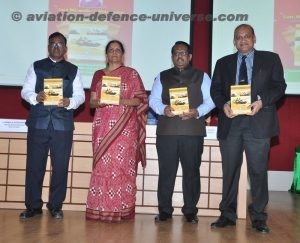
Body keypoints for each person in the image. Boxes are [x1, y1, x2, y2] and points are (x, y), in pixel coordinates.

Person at [210, 24, 286, 233]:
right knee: (230, 171)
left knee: (258, 172)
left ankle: (259, 217)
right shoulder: (223, 63)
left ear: (254, 38)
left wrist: (262, 101)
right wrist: (223, 104)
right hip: (231, 123)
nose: (242, 40)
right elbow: (215, 90)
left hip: (258, 122)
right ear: (234, 42)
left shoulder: (271, 59)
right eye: (238, 37)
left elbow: (280, 86)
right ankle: (227, 214)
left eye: (246, 36)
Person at [20, 32, 85, 219]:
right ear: (48, 47)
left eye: (60, 44)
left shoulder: (73, 69)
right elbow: (25, 90)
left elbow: (80, 96)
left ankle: (55, 206)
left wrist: (69, 102)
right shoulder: (36, 66)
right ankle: (33, 206)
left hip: (62, 125)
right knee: (34, 166)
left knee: (61, 167)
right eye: (53, 44)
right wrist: (35, 97)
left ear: (65, 48)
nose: (56, 47)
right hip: (38, 123)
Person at [149, 41, 215, 224]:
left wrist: (198, 112)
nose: (180, 56)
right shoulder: (161, 76)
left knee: (192, 173)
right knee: (166, 172)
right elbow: (153, 100)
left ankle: (190, 211)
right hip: (167, 133)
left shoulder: (202, 76)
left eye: (183, 53)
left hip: (192, 132)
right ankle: (164, 211)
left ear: (190, 56)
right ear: (172, 57)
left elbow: (211, 100)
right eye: (176, 53)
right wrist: (164, 109)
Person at [86, 40, 148, 223]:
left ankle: (121, 210)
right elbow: (92, 102)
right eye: (111, 50)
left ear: (123, 54)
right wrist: (101, 102)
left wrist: (121, 100)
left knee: (122, 169)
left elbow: (140, 101)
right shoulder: (98, 75)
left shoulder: (132, 74)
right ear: (106, 54)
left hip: (126, 130)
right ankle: (99, 208)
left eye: (118, 50)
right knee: (102, 167)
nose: (114, 53)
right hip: (102, 128)